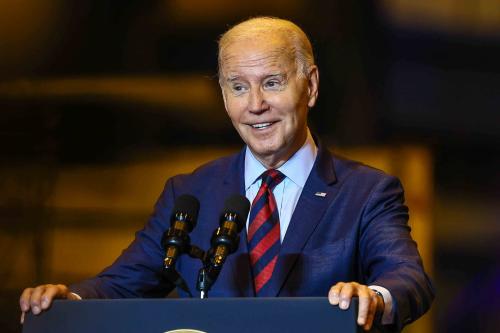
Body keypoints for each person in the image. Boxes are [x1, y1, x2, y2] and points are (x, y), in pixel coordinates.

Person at [19, 17, 434, 331]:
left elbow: (408, 279)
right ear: (222, 95)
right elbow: (123, 283)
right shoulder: (190, 192)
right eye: (237, 87)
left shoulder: (367, 192)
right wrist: (67, 298)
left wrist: (374, 298)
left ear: (310, 86)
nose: (255, 105)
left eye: (271, 82)